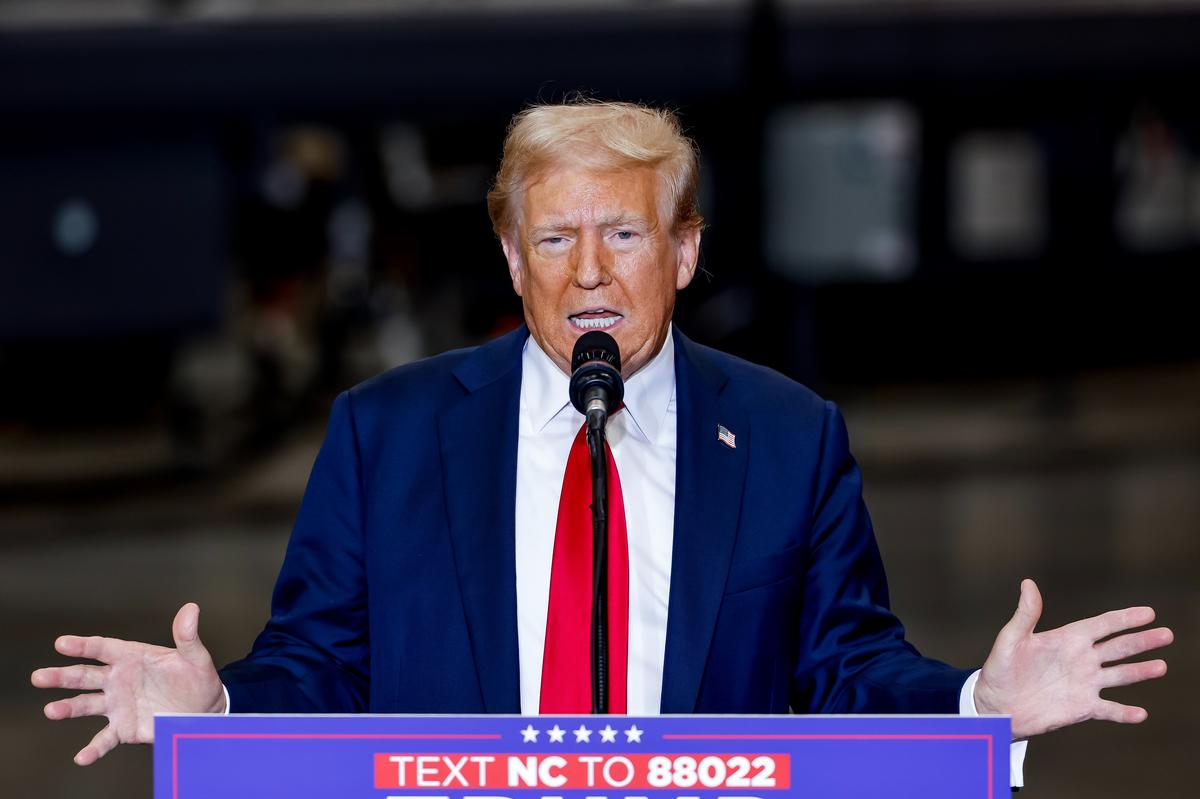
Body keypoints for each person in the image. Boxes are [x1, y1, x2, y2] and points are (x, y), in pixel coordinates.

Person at [32, 102, 1172, 784]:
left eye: (623, 233)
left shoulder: (785, 436)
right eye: (556, 237)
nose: (588, 273)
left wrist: (979, 706)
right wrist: (218, 713)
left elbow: (846, 674)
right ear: (511, 255)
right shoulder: (386, 433)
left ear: (682, 251)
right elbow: (322, 673)